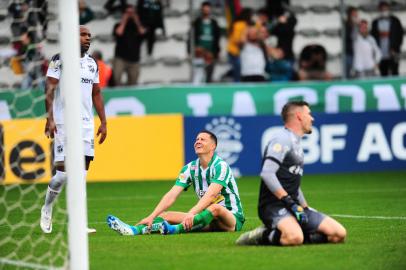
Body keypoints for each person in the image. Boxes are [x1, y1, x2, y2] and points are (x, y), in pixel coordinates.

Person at [236, 101, 346, 246]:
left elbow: (293, 183)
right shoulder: (282, 139)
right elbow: (267, 173)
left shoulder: (297, 143)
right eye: (309, 114)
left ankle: (286, 230)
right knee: (294, 238)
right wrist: (290, 203)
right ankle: (262, 234)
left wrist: (304, 208)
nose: (312, 118)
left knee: (338, 234)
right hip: (273, 206)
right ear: (299, 116)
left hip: (293, 205)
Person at [107, 130, 245, 235]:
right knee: (164, 216)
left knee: (215, 208)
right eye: (196, 139)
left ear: (213, 146)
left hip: (231, 218)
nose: (198, 141)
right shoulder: (189, 168)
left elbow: (211, 196)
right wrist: (152, 215)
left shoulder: (221, 166)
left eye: (202, 139)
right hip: (206, 218)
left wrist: (191, 213)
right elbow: (172, 195)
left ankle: (173, 229)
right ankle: (133, 230)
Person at [40, 26, 107, 234]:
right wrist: (49, 118)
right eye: (83, 34)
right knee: (63, 174)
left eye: (89, 36)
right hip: (63, 122)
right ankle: (47, 207)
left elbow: (96, 93)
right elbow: (49, 89)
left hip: (86, 124)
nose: (88, 38)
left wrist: (103, 122)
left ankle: (78, 223)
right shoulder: (59, 59)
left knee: (81, 175)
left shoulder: (92, 63)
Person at [112, 4, 145, 86]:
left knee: (133, 83)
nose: (130, 14)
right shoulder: (117, 25)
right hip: (120, 58)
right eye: (128, 12)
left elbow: (143, 33)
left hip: (134, 59)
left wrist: (137, 21)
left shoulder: (138, 26)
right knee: (116, 80)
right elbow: (118, 33)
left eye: (132, 12)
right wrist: (124, 20)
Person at [190, 1, 221, 83]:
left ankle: (208, 87)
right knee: (198, 72)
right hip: (199, 51)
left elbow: (217, 38)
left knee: (209, 73)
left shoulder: (214, 23)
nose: (206, 11)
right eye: (204, 9)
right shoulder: (197, 22)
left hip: (211, 51)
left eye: (208, 9)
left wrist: (216, 51)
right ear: (202, 10)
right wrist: (193, 49)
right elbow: (192, 37)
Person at [371, 1, 404, 76]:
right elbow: (373, 37)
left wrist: (395, 48)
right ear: (379, 10)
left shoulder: (395, 21)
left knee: (395, 71)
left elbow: (400, 35)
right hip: (381, 52)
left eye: (385, 9)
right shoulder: (375, 22)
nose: (384, 11)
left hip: (393, 52)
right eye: (382, 10)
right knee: (383, 72)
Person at [344, 6, 359, 78]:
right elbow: (349, 37)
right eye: (353, 14)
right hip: (349, 53)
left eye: (356, 14)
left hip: (357, 53)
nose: (355, 15)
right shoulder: (346, 25)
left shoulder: (358, 25)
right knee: (348, 73)